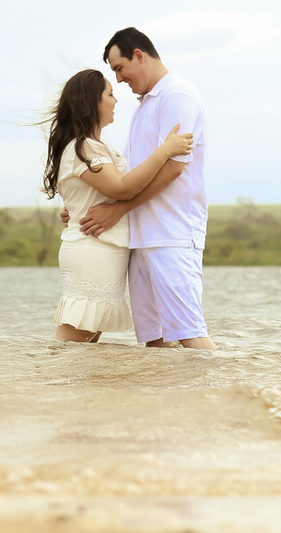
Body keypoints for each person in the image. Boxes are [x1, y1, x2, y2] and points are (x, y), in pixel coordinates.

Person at [76, 27, 216, 349]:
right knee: (155, 342)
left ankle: (223, 397)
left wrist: (118, 210)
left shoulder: (177, 95)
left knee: (190, 334)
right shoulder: (145, 106)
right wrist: (84, 209)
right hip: (141, 238)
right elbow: (129, 174)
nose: (120, 79)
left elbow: (173, 169)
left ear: (138, 55)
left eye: (119, 68)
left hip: (173, 235)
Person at [42, 68, 193, 342]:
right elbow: (122, 188)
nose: (115, 100)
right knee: (74, 339)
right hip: (93, 250)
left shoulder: (95, 147)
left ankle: (69, 386)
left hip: (103, 249)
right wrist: (165, 150)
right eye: (109, 94)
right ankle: (41, 384)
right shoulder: (84, 147)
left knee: (86, 340)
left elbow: (97, 193)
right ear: (92, 103)